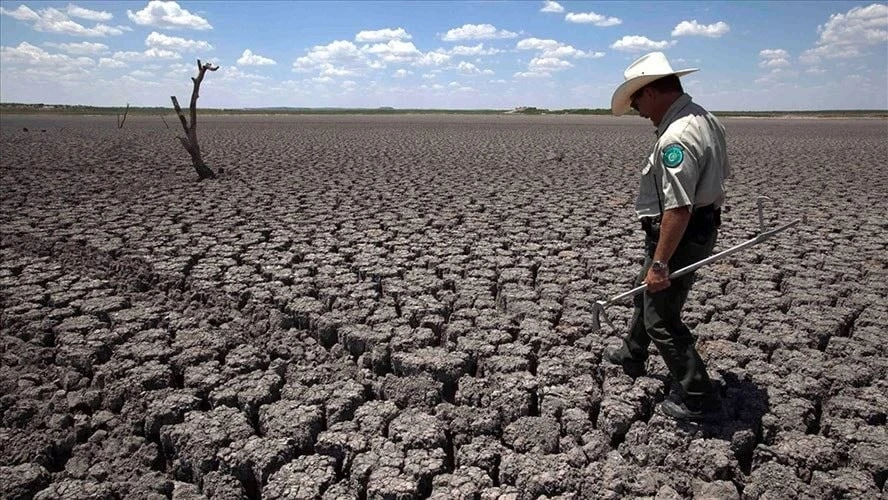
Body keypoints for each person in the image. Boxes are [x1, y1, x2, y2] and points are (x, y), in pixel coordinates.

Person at [605, 52, 730, 421]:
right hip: (693, 229)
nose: (638, 110)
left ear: (654, 91)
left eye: (638, 100)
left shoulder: (677, 137)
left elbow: (679, 207)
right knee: (645, 292)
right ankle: (632, 354)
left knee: (661, 315)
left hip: (680, 235)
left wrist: (660, 262)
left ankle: (699, 398)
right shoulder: (704, 118)